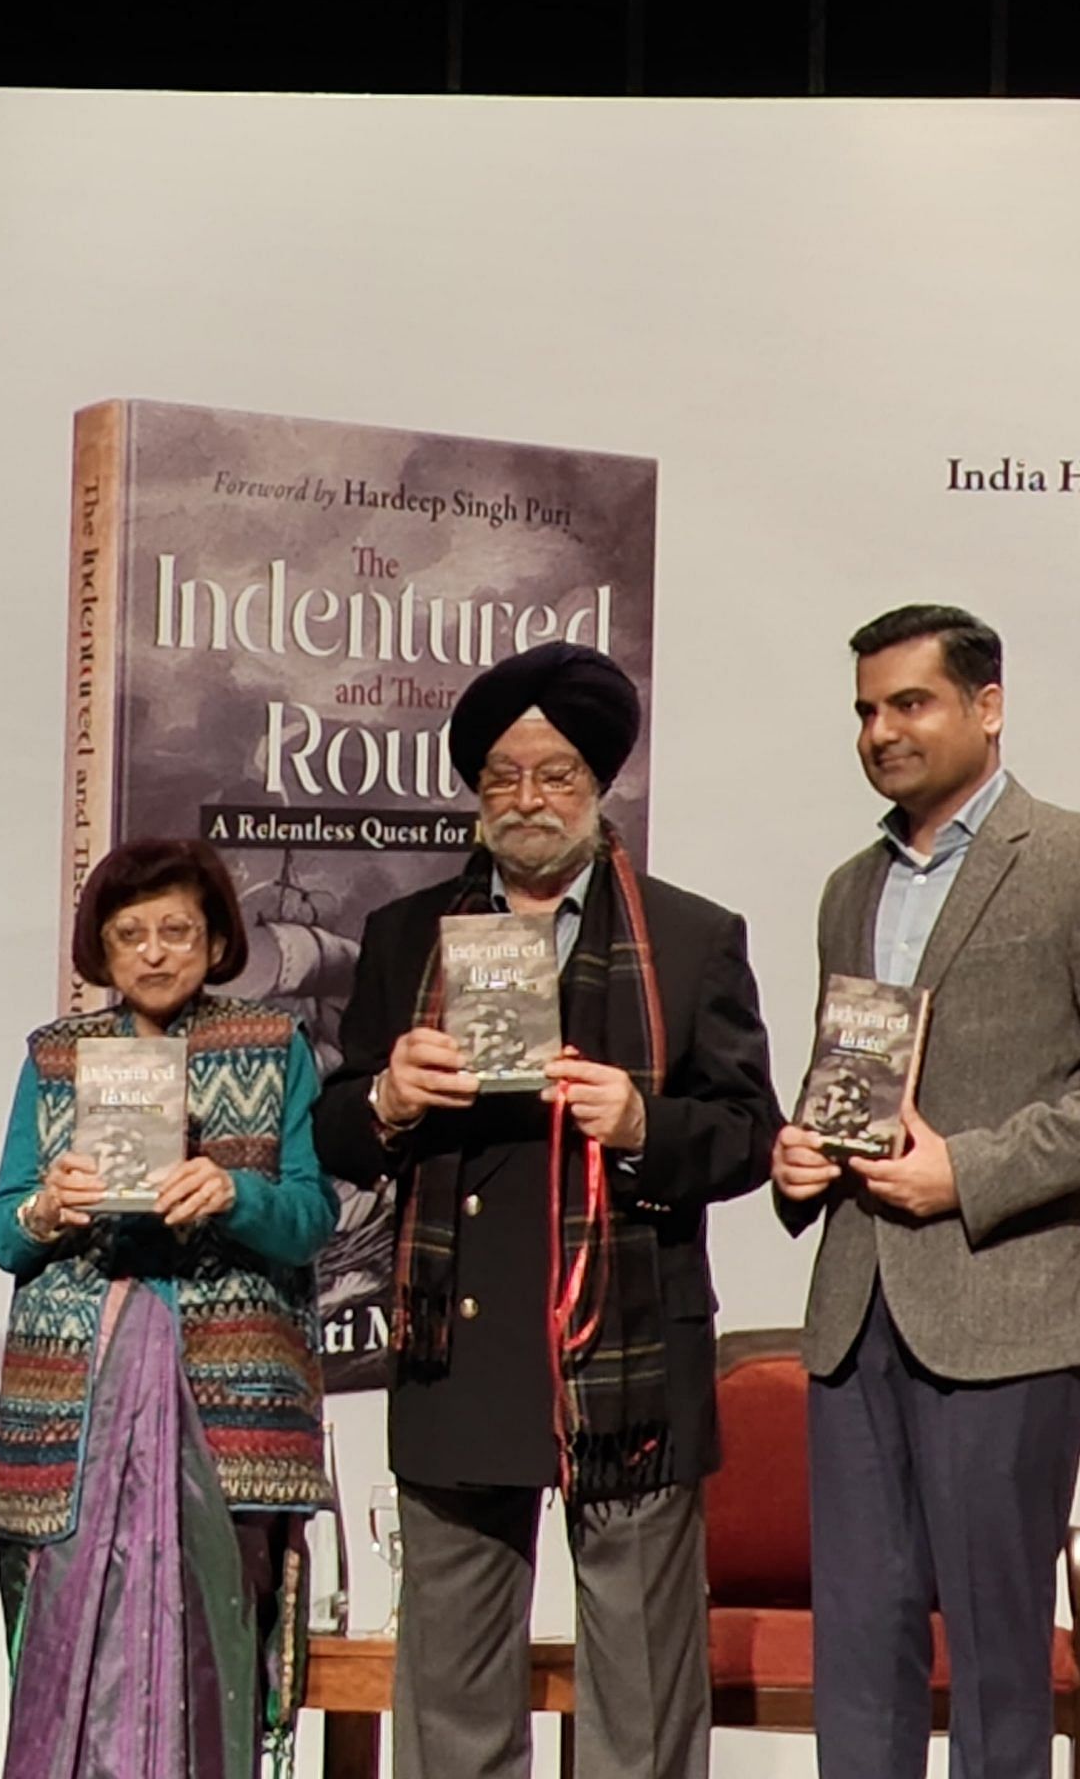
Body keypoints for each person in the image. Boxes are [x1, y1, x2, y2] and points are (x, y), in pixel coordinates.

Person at [314, 641, 779, 1779]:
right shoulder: (404, 936)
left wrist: (642, 1124)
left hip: (623, 1347)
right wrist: (385, 1095)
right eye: (503, 778)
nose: (528, 800)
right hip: (457, 1338)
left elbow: (750, 1136)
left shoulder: (688, 935)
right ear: (477, 794)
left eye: (555, 774)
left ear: (600, 783)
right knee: (454, 1685)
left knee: (638, 1683)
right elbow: (328, 1129)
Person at [773, 606, 1080, 1779]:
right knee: (857, 1646)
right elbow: (855, 1075)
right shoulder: (847, 888)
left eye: (910, 703)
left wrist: (968, 1170)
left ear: (987, 707)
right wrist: (802, 1155)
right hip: (856, 1305)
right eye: (866, 710)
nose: (881, 731)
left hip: (1006, 1306)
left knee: (1002, 1652)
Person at [0, 837, 336, 1779]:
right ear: (100, 946)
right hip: (76, 1391)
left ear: (216, 938)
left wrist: (236, 1194)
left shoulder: (273, 1046)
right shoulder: (57, 1058)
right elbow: (1, 1234)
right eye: (129, 932)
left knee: (214, 1646)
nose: (152, 952)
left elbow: (311, 1218)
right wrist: (47, 1208)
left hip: (226, 1395)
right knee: (67, 1647)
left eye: (176, 930)